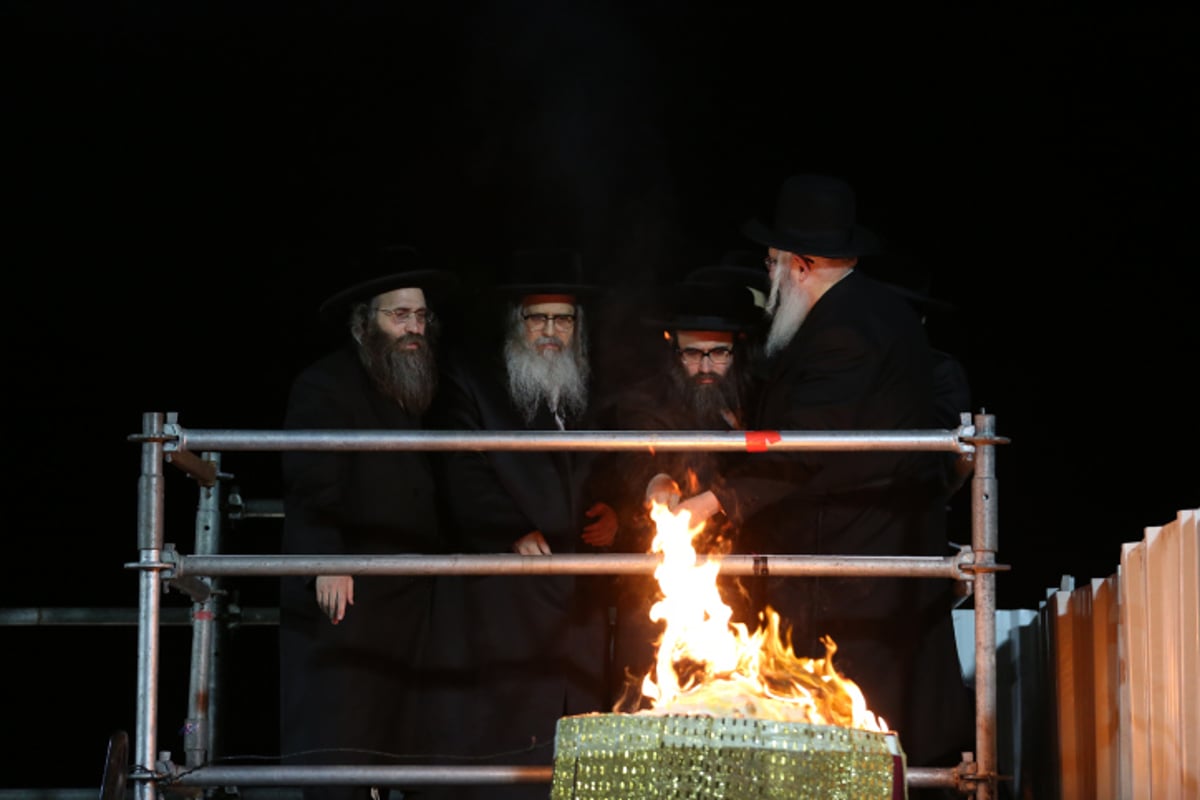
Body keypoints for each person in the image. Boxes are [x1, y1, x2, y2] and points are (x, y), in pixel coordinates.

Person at [670, 174, 974, 772]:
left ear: (802, 264)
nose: (769, 270)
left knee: (853, 737)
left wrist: (710, 503)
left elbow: (811, 450)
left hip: (853, 566)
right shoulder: (872, 311)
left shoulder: (844, 331)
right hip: (866, 559)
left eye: (774, 259)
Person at [428, 248, 618, 800]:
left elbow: (612, 464)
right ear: (517, 323)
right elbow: (460, 464)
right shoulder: (473, 377)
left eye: (564, 320)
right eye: (539, 319)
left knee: (577, 738)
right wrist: (508, 527)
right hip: (505, 592)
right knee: (510, 737)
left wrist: (617, 514)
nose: (551, 332)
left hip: (577, 595)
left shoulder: (589, 383)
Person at [278, 244, 457, 800]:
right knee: (343, 734)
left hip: (409, 590)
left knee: (405, 737)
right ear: (365, 323)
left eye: (420, 316)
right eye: (398, 315)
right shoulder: (325, 383)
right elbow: (311, 478)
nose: (413, 328)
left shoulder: (415, 383)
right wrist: (327, 558)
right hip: (350, 586)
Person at [594, 272, 767, 708]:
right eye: (692, 354)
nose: (705, 367)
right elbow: (636, 453)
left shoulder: (760, 399)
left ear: (739, 347)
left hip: (745, 592)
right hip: (658, 596)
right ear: (673, 347)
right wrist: (656, 483)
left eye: (719, 353)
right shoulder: (646, 399)